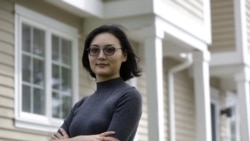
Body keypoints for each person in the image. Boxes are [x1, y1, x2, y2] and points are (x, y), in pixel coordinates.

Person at [51, 24, 142, 141]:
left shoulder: (128, 96)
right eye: (94, 50)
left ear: (124, 55)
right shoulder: (81, 104)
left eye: (109, 50)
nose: (101, 56)